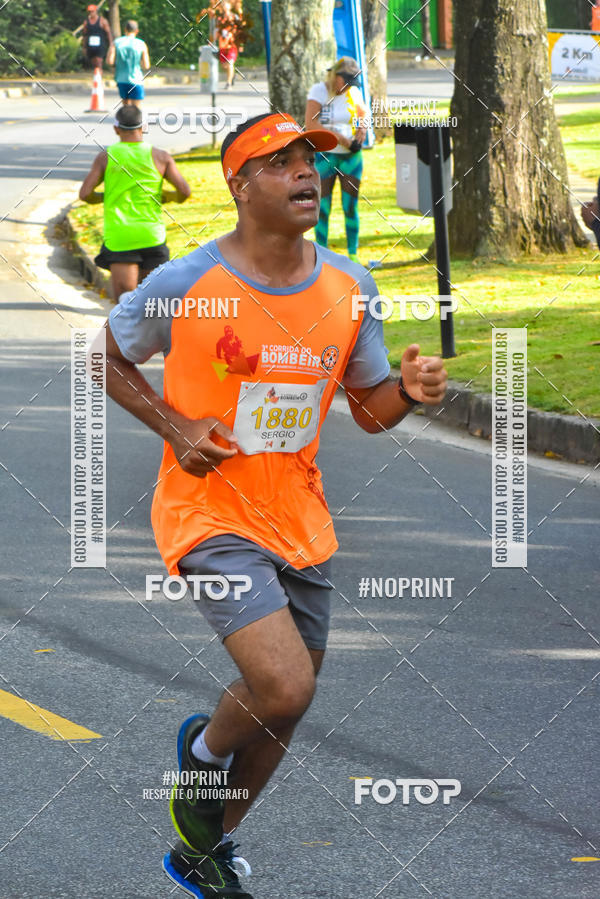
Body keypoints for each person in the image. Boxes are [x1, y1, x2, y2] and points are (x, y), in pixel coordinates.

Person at [101, 111, 448, 898]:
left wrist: (408, 392)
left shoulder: (349, 287)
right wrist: (175, 424)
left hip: (299, 516)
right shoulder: (186, 283)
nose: (305, 173)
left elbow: (369, 409)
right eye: (281, 161)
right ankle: (201, 759)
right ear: (240, 185)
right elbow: (106, 357)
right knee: (285, 684)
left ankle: (205, 848)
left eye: (309, 160)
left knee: (281, 705)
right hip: (207, 509)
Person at [78, 105, 190, 301]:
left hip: (120, 237)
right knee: (154, 305)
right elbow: (184, 192)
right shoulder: (161, 157)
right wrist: (168, 197)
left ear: (116, 129)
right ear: (143, 127)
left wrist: (107, 197)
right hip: (152, 236)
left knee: (125, 305)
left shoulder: (106, 157)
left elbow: (85, 194)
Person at [305, 57, 368, 264]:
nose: (348, 86)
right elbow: (311, 124)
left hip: (351, 157)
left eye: (352, 82)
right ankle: (322, 254)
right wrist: (340, 138)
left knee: (350, 205)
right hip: (326, 156)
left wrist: (362, 127)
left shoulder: (353, 92)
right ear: (336, 76)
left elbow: (363, 112)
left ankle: (353, 253)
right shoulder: (319, 91)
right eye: (346, 81)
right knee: (323, 206)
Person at [106, 20, 150, 107]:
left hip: (121, 79)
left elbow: (110, 61)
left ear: (125, 29)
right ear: (137, 31)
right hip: (136, 80)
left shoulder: (116, 42)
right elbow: (146, 65)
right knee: (136, 108)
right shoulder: (141, 43)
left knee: (126, 108)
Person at [81, 3, 112, 71]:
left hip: (100, 46)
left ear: (96, 11)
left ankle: (99, 75)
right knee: (94, 63)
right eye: (89, 12)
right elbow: (85, 35)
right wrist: (84, 47)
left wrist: (111, 44)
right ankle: (97, 75)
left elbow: (108, 33)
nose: (91, 13)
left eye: (92, 11)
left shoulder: (102, 21)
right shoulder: (86, 22)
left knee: (98, 62)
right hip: (90, 46)